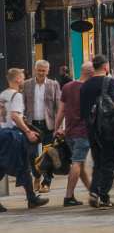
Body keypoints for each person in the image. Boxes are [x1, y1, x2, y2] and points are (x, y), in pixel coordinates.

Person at [0, 68, 48, 210]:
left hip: (2, 134)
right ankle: (32, 199)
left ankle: (31, 197)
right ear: (16, 80)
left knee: (2, 167)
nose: (24, 79)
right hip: (13, 136)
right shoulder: (17, 96)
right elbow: (15, 116)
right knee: (23, 165)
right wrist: (27, 131)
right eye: (22, 77)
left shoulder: (2, 95)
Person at [80, 55, 114, 208]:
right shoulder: (109, 81)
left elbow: (82, 110)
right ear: (105, 66)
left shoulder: (85, 85)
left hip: (91, 129)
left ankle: (94, 191)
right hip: (107, 128)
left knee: (98, 162)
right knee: (110, 161)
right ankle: (103, 195)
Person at [53, 62, 94, 206]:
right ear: (91, 73)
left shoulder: (67, 87)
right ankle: (68, 197)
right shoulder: (88, 88)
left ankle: (92, 192)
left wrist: (56, 128)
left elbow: (61, 110)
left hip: (69, 132)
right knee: (77, 162)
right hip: (83, 131)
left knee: (80, 164)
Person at [23, 59, 60, 194]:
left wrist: (59, 126)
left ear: (48, 71)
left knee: (48, 154)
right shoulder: (26, 85)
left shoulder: (53, 84)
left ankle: (46, 182)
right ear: (34, 69)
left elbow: (58, 106)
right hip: (31, 124)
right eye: (39, 70)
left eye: (44, 70)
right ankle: (37, 176)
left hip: (48, 124)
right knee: (31, 154)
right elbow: (23, 104)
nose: (41, 73)